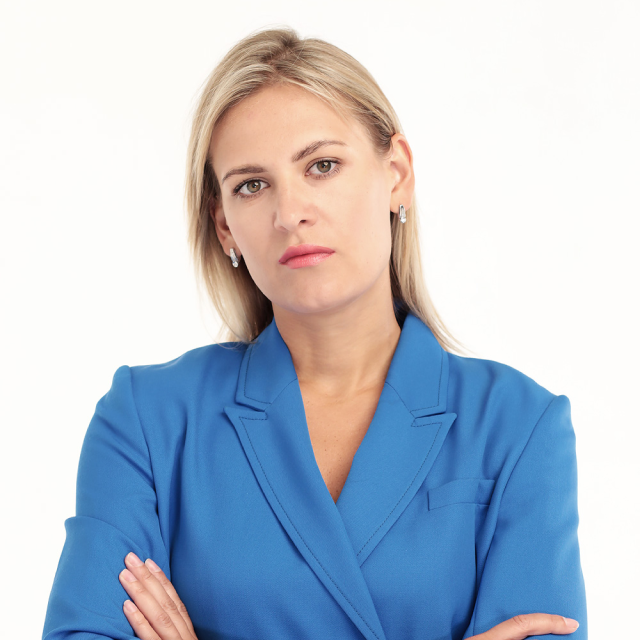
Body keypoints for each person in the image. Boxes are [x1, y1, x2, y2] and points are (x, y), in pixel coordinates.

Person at [41, 26, 588, 640]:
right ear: (225, 227)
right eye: (251, 185)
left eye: (322, 166)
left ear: (396, 175)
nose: (290, 213)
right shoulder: (147, 421)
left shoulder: (519, 426)